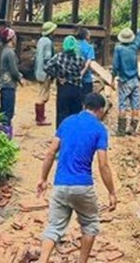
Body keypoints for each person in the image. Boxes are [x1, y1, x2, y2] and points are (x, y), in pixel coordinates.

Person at [37, 93, 117, 263]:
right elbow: (103, 165)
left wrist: (43, 179)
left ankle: (42, 260)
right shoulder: (99, 129)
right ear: (101, 110)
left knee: (54, 228)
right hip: (82, 186)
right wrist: (111, 192)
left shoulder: (67, 122)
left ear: (83, 105)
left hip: (60, 185)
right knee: (90, 225)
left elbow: (51, 152)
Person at [44, 35, 86, 128]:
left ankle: (60, 136)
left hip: (63, 87)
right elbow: (82, 68)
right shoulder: (80, 58)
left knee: (62, 113)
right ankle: (73, 135)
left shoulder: (58, 57)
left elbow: (47, 67)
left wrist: (57, 76)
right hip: (77, 88)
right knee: (75, 114)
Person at [112, 27, 140, 136]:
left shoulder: (118, 49)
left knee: (123, 105)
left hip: (124, 80)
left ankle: (121, 131)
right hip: (135, 80)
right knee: (135, 105)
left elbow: (115, 66)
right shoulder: (134, 47)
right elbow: (139, 38)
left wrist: (112, 78)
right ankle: (133, 129)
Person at [0, 27, 23, 139]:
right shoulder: (10, 53)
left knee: (3, 110)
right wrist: (20, 78)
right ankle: (5, 137)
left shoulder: (5, 51)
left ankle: (1, 134)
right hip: (8, 84)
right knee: (8, 112)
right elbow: (13, 70)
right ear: (11, 38)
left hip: (4, 83)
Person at [34, 22, 57, 126]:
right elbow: (48, 58)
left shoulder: (40, 41)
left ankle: (40, 116)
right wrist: (52, 72)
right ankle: (40, 118)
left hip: (38, 70)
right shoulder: (48, 42)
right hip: (45, 72)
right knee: (43, 96)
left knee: (41, 93)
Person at [76, 28, 95, 98]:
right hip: (86, 78)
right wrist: (82, 73)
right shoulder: (89, 47)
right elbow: (88, 62)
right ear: (86, 36)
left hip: (74, 78)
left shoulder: (75, 45)